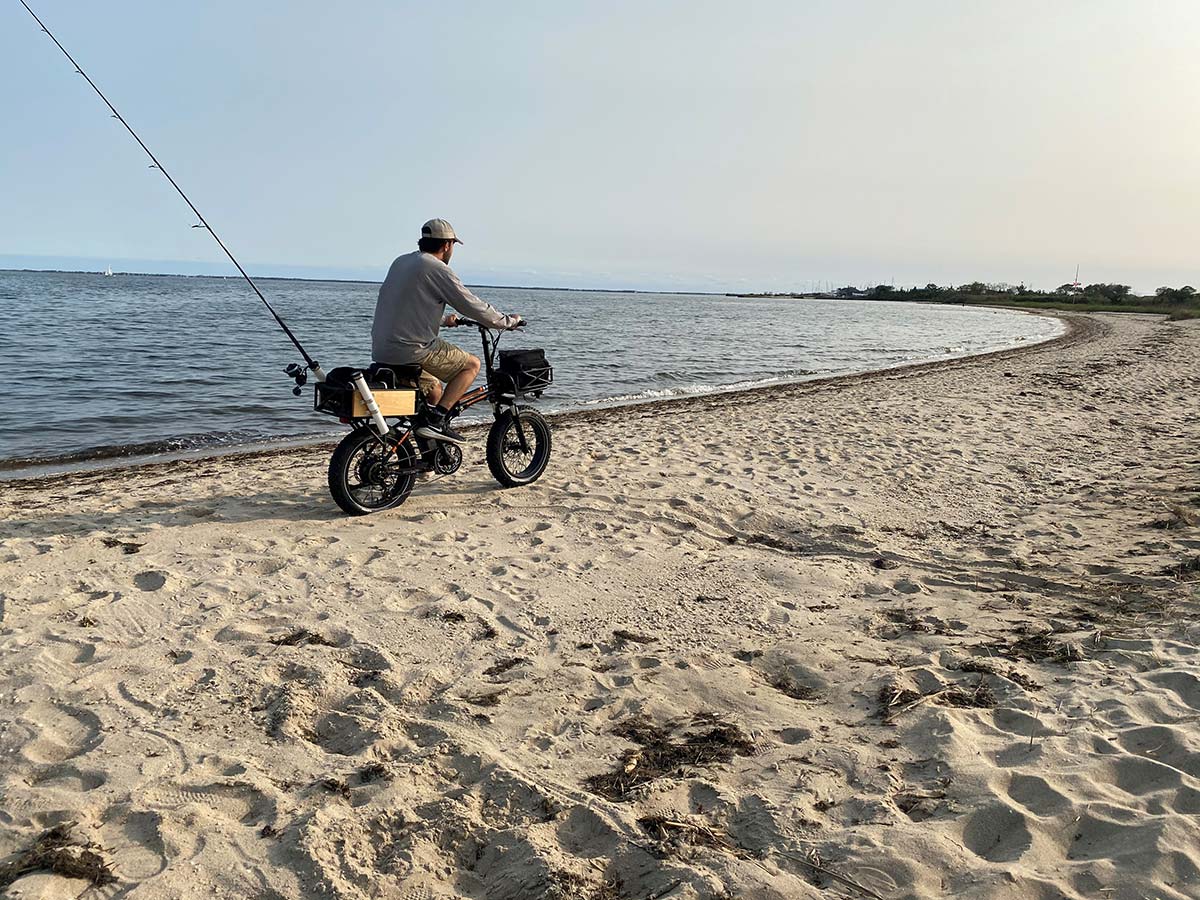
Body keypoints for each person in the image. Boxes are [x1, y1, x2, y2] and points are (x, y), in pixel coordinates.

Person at [371, 219, 521, 444]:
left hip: (382, 349)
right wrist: (506, 322)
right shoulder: (437, 268)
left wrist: (442, 321)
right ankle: (438, 420)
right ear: (447, 245)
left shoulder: (400, 262)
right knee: (472, 365)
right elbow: (470, 304)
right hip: (412, 350)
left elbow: (404, 307)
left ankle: (427, 458)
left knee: (433, 391)